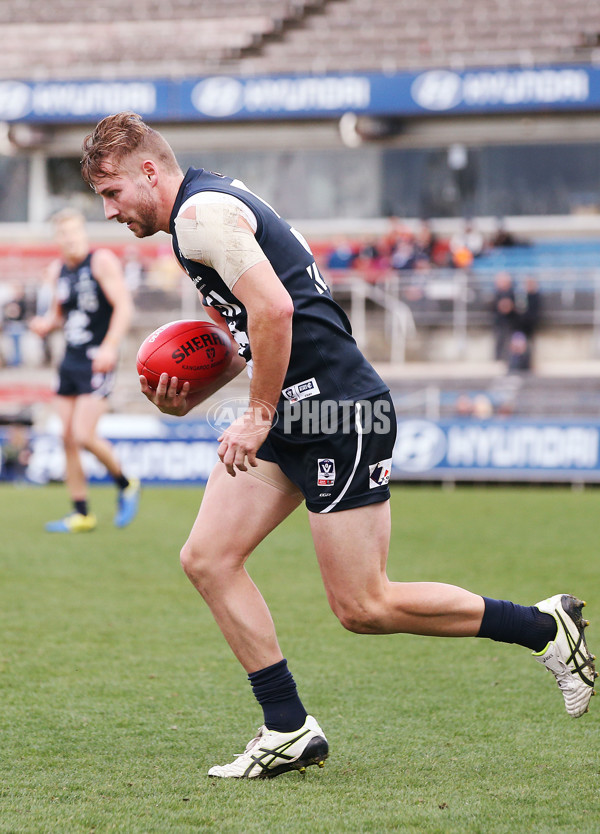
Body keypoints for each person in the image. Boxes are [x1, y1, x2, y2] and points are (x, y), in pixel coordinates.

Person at [81, 112, 596, 779]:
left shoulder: (201, 214)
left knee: (363, 606)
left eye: (113, 193)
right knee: (208, 558)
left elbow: (276, 312)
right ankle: (288, 728)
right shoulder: (193, 221)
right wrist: (203, 394)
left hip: (339, 412)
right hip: (294, 413)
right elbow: (251, 331)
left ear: (149, 171)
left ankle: (543, 627)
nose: (110, 210)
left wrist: (258, 413)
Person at [29, 208, 141, 532]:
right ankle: (81, 513)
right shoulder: (57, 271)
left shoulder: (100, 261)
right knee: (65, 437)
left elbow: (124, 305)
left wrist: (110, 345)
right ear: (57, 239)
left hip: (97, 358)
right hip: (71, 359)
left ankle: (126, 482)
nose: (71, 239)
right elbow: (59, 315)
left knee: (83, 434)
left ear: (84, 234)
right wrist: (45, 325)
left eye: (76, 232)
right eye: (64, 234)